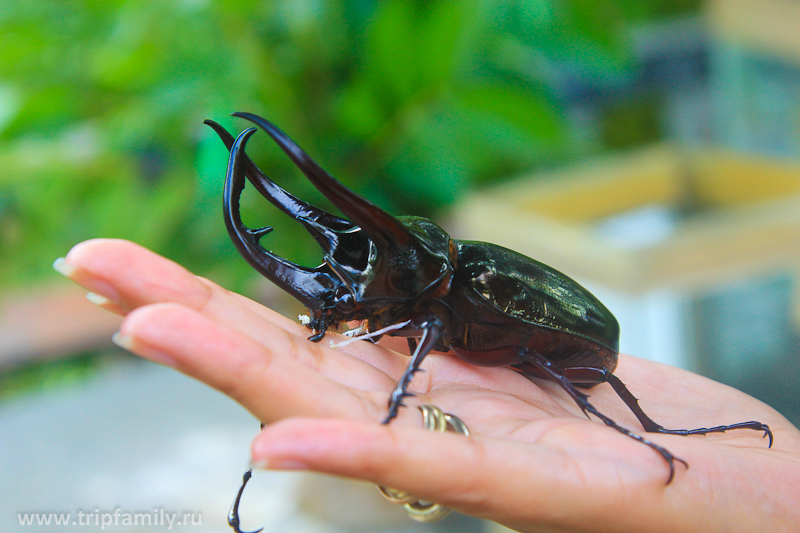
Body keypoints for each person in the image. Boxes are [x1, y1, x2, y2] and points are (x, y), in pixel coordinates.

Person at [55, 238, 800, 533]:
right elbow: (396, 322)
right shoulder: (424, 297)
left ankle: (654, 429)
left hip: (580, 351)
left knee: (539, 363)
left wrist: (649, 435)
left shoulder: (458, 294)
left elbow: (557, 357)